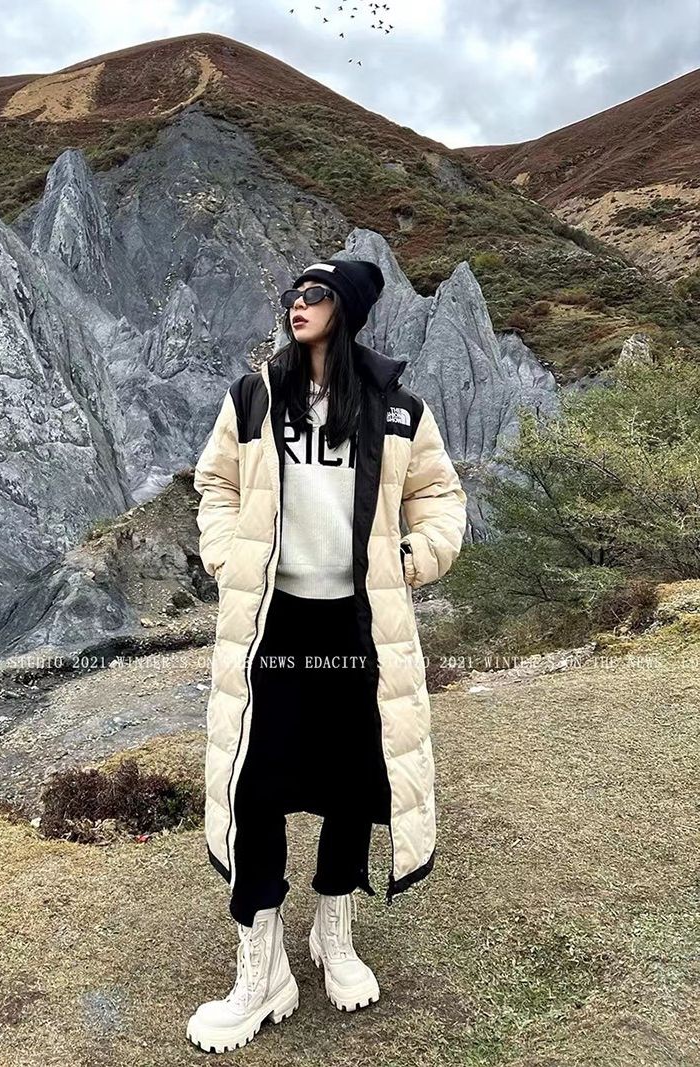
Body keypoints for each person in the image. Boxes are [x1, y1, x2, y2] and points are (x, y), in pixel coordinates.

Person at [188, 257, 468, 1053]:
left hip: (356, 624)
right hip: (273, 624)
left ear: (343, 308)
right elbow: (215, 484)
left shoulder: (397, 407)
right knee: (256, 786)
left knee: (353, 782)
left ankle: (332, 932)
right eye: (291, 294)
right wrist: (227, 555)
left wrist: (410, 558)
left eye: (313, 294)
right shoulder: (254, 397)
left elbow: (440, 497)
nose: (296, 304)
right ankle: (260, 966)